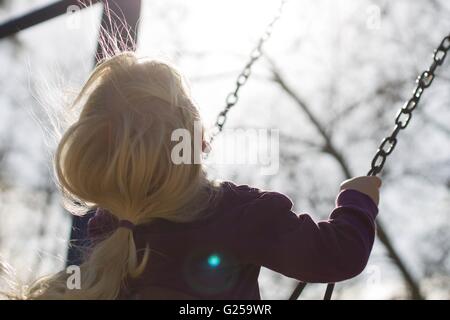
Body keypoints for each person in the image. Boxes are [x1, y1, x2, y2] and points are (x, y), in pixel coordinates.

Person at [6, 51, 381, 299]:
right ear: (197, 140)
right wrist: (357, 200)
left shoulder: (110, 231)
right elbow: (337, 255)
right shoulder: (239, 214)